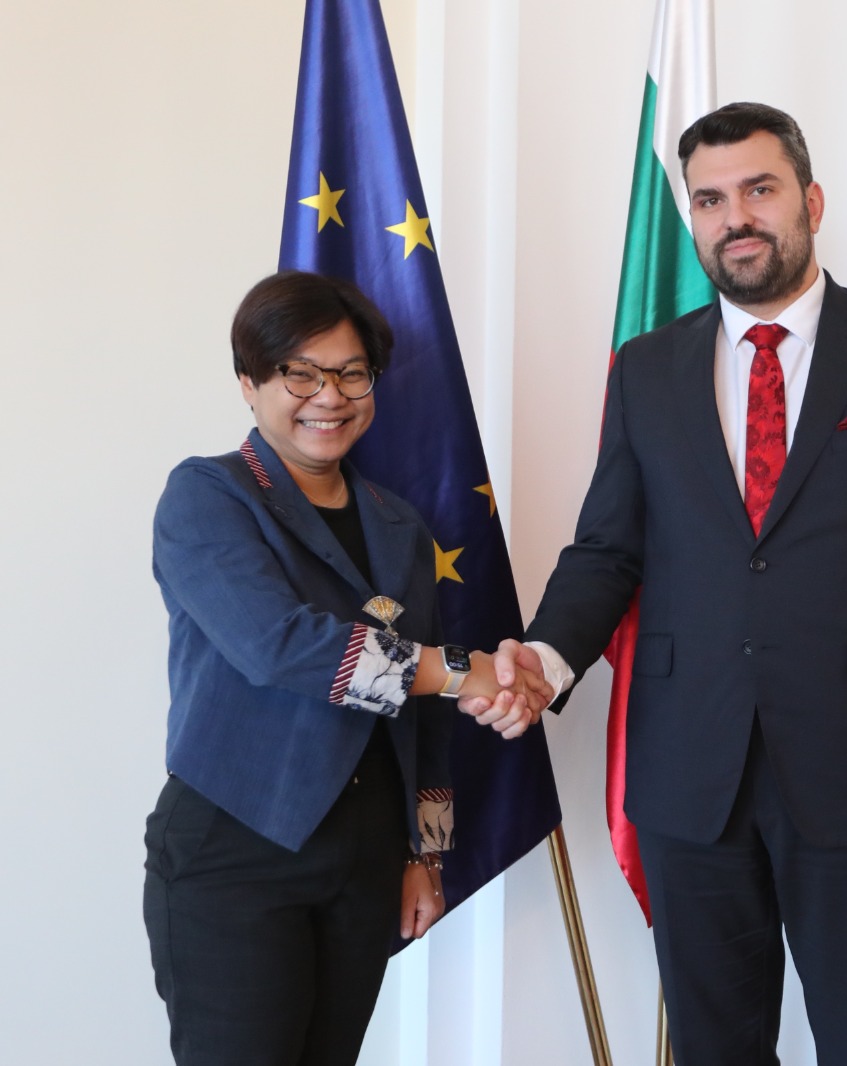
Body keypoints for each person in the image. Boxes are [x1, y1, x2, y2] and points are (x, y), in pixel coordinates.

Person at [475, 103, 847, 1065]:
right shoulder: (647, 369)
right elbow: (608, 551)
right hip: (691, 776)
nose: (737, 218)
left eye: (760, 190)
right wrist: (547, 658)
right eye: (711, 199)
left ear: (811, 200)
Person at [142, 270, 549, 1066]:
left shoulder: (399, 524)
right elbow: (279, 645)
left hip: (365, 857)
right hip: (237, 847)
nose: (328, 396)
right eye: (299, 373)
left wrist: (424, 855)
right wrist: (460, 670)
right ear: (249, 382)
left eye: (351, 374)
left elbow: (424, 718)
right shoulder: (207, 496)